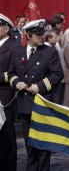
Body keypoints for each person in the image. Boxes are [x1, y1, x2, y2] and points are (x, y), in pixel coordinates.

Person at [8, 19, 64, 171]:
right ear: (28, 35)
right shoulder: (17, 52)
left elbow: (58, 74)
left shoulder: (49, 52)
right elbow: (11, 73)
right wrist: (16, 83)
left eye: (43, 34)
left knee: (43, 144)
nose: (42, 37)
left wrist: (39, 86)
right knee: (30, 144)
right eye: (38, 35)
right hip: (25, 104)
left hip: (42, 102)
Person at [0, 13, 17, 171]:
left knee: (8, 135)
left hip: (6, 95)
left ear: (5, 29)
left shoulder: (13, 46)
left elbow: (14, 72)